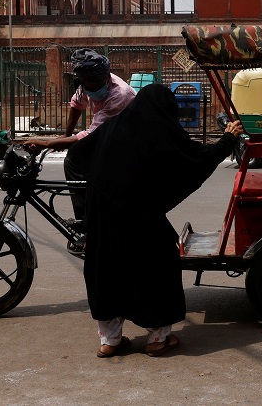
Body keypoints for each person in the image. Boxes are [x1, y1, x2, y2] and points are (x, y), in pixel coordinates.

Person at [66, 84, 243, 358]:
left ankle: (110, 341)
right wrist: (227, 140)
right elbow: (194, 160)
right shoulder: (159, 133)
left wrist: (96, 189)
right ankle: (158, 338)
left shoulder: (114, 126)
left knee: (107, 269)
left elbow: (76, 155)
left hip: (102, 213)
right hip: (139, 214)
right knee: (157, 266)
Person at [26, 49, 136, 241]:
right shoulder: (86, 86)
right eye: (89, 85)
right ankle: (86, 217)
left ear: (106, 77)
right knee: (73, 159)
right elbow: (77, 105)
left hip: (126, 142)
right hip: (109, 137)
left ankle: (88, 223)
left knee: (77, 161)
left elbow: (90, 136)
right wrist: (66, 137)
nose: (94, 89)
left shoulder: (119, 94)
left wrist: (46, 143)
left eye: (98, 84)